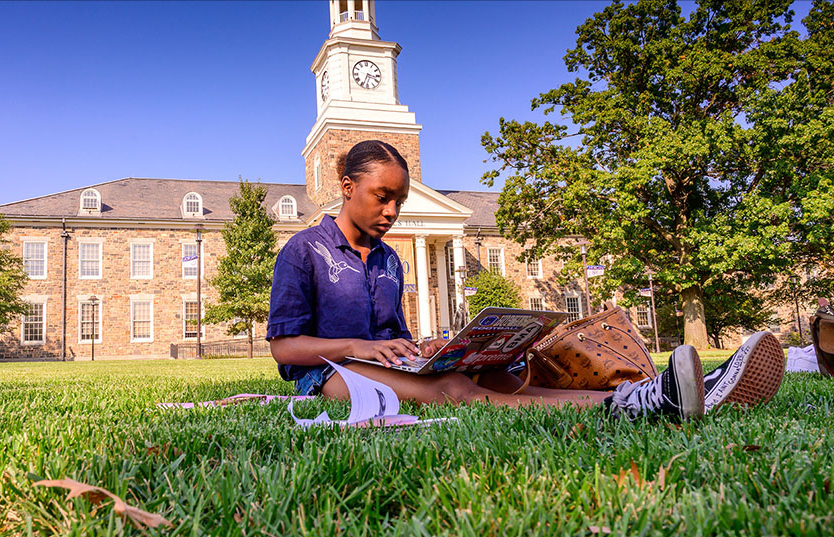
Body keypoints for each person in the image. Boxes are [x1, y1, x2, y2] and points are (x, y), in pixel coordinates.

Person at [266, 139, 785, 420]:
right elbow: (285, 350)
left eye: (400, 199)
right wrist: (359, 346)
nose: (393, 210)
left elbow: (389, 338)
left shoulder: (389, 261)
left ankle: (659, 393)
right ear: (346, 185)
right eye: (383, 196)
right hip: (327, 379)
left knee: (498, 380)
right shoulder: (303, 250)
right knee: (452, 388)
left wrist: (425, 345)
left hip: (381, 367)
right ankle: (651, 403)